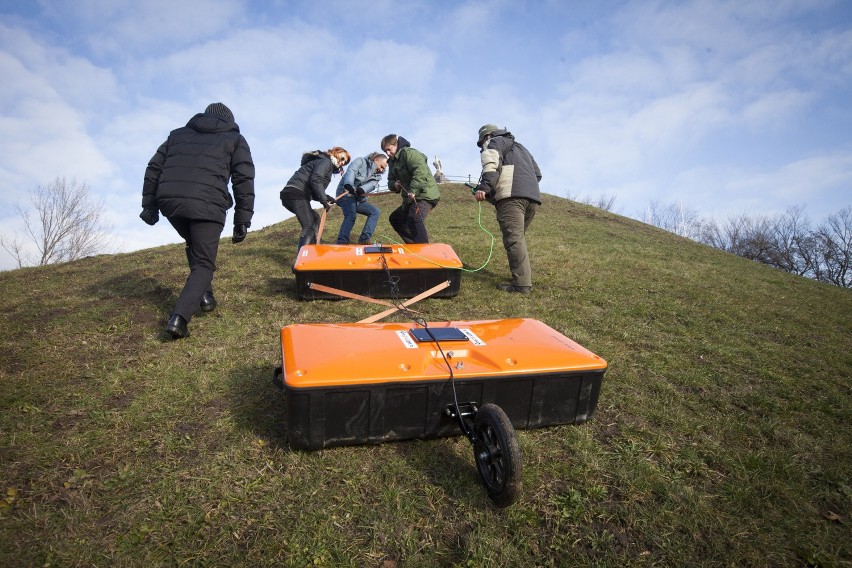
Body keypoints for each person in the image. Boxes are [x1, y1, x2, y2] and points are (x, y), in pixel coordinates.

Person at [140, 102, 255, 339]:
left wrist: (149, 206)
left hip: (171, 203)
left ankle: (205, 295)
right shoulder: (234, 138)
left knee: (195, 245)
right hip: (208, 204)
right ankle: (179, 318)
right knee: (204, 263)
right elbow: (243, 178)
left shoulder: (177, 135)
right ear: (229, 120)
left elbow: (153, 168)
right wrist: (242, 218)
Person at [473, 124, 542, 294]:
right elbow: (538, 174)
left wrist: (485, 186)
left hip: (512, 197)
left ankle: (521, 285)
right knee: (518, 238)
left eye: (481, 142)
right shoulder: (522, 148)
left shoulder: (493, 142)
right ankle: (520, 277)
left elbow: (491, 163)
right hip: (532, 198)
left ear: (486, 136)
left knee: (514, 239)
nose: (482, 145)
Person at [280, 147, 351, 249]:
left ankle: (315, 249)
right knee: (308, 226)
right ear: (335, 152)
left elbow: (314, 189)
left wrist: (326, 197)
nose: (343, 163)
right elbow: (316, 180)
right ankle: (303, 260)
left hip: (295, 194)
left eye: (345, 163)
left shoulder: (326, 164)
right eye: (343, 158)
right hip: (295, 193)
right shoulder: (325, 161)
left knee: (315, 218)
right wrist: (323, 200)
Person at [380, 134, 440, 244]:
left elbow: (420, 172)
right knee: (395, 219)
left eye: (389, 149)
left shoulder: (409, 153)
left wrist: (413, 190)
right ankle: (414, 246)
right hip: (409, 199)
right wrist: (395, 185)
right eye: (385, 152)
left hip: (425, 195)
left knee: (414, 218)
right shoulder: (392, 162)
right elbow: (390, 181)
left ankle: (425, 252)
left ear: (396, 144)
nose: (388, 153)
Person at [334, 152, 388, 245]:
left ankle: (364, 239)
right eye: (381, 166)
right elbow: (351, 171)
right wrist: (348, 185)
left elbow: (371, 185)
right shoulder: (360, 161)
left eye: (383, 168)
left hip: (358, 199)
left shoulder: (378, 176)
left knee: (375, 212)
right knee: (351, 215)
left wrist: (361, 190)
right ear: (376, 160)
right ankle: (342, 242)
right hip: (344, 194)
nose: (381, 170)